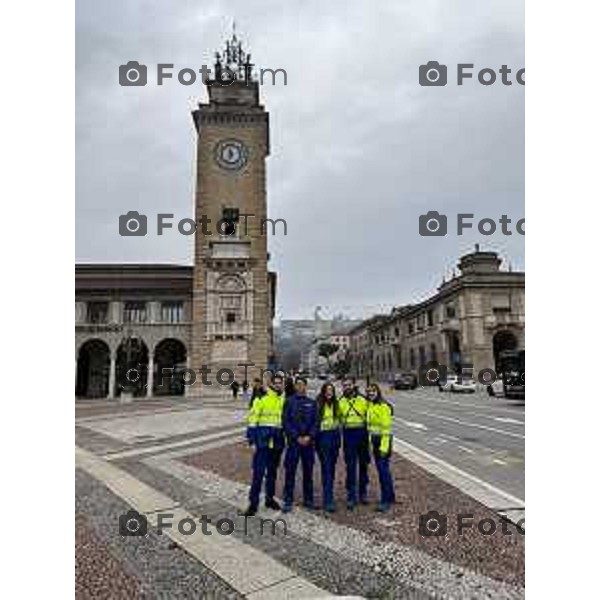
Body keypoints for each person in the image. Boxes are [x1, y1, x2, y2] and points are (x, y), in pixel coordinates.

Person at [241, 374, 286, 516]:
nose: (278, 385)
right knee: (258, 474)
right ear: (271, 384)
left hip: (277, 442)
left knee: (272, 473)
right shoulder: (261, 399)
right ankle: (253, 504)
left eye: (281, 383)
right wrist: (252, 440)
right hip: (263, 441)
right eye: (276, 383)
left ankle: (269, 498)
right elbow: (252, 420)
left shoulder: (284, 400)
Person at [281, 375, 317, 513]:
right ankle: (288, 499)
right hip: (294, 443)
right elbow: (285, 422)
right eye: (298, 384)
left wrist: (309, 436)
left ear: (306, 386)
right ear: (295, 387)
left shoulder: (312, 403)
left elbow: (316, 422)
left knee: (308, 472)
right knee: (290, 471)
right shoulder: (289, 402)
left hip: (308, 443)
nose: (300, 387)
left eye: (303, 384)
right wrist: (296, 437)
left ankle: (308, 499)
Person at [338, 377, 370, 510]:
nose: (347, 387)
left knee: (363, 465)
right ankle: (351, 495)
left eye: (349, 385)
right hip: (348, 435)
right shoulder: (340, 402)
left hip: (362, 434)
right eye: (345, 385)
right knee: (350, 466)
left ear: (354, 385)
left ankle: (363, 493)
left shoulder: (363, 400)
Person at [366, 383, 396, 512]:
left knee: (383, 471)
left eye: (373, 391)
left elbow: (386, 429)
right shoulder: (371, 405)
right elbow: (370, 427)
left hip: (384, 441)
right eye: (369, 392)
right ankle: (390, 496)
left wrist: (384, 448)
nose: (371, 393)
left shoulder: (383, 407)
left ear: (378, 392)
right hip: (375, 440)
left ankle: (385, 501)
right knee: (384, 470)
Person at [315, 382, 341, 513]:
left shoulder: (336, 404)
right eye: (327, 390)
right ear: (323, 391)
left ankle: (329, 494)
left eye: (331, 390)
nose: (329, 392)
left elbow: (339, 421)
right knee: (326, 468)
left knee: (331, 469)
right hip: (323, 439)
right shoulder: (319, 404)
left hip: (335, 439)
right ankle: (328, 500)